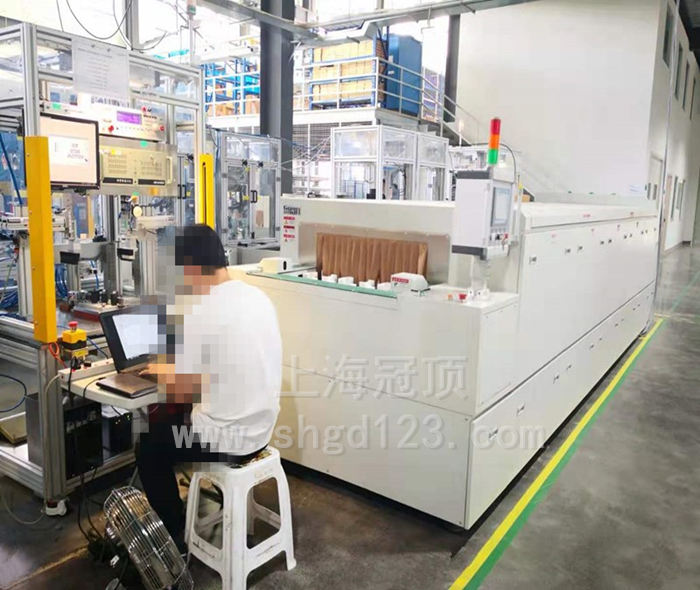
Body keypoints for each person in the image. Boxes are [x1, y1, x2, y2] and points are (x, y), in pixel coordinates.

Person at [135, 224, 282, 544]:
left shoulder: (202, 310)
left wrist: (160, 371)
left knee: (149, 445)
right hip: (262, 430)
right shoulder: (258, 298)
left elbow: (182, 389)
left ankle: (174, 536)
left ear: (190, 268)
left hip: (225, 440)